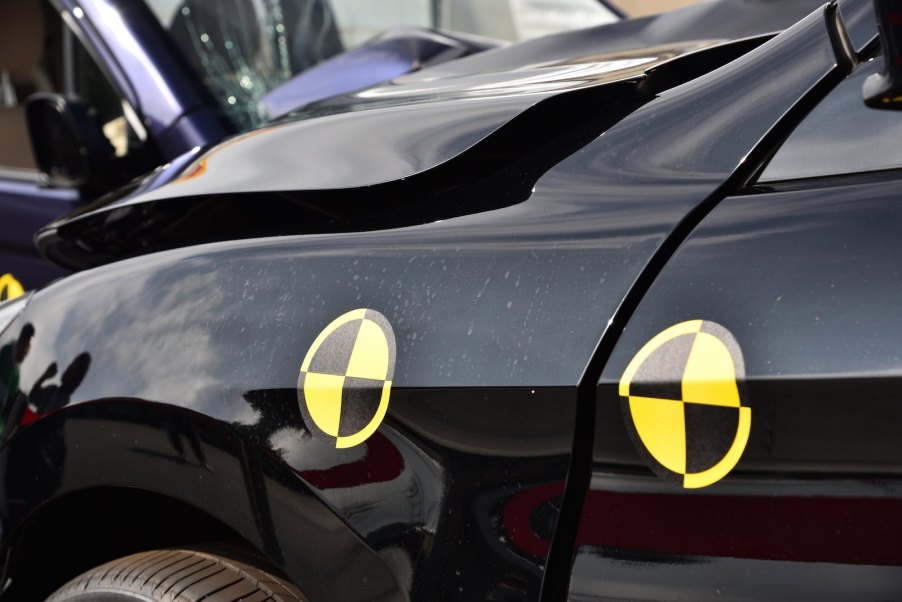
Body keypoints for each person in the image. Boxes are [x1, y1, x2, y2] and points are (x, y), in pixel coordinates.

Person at [0, 323, 34, 428]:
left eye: (28, 347)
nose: (27, 350)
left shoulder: (17, 375)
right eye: (26, 344)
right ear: (21, 339)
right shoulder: (5, 353)